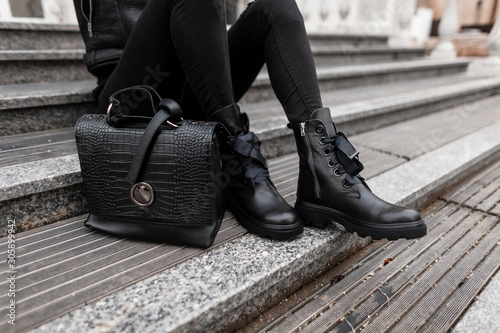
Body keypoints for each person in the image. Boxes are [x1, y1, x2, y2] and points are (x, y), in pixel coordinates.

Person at [74, 0, 427, 241]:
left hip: (196, 79)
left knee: (274, 7)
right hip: (134, 90)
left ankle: (322, 170)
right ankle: (234, 144)